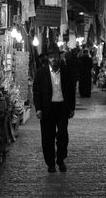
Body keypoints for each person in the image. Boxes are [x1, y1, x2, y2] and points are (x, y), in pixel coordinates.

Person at [33, 44, 76, 173]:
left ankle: (61, 159)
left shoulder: (66, 71)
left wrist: (72, 107)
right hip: (47, 108)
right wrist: (38, 109)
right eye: (51, 57)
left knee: (63, 135)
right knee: (47, 137)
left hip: (62, 107)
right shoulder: (41, 73)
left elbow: (71, 90)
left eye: (56, 56)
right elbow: (37, 92)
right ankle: (50, 163)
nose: (54, 59)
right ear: (48, 58)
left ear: (59, 57)